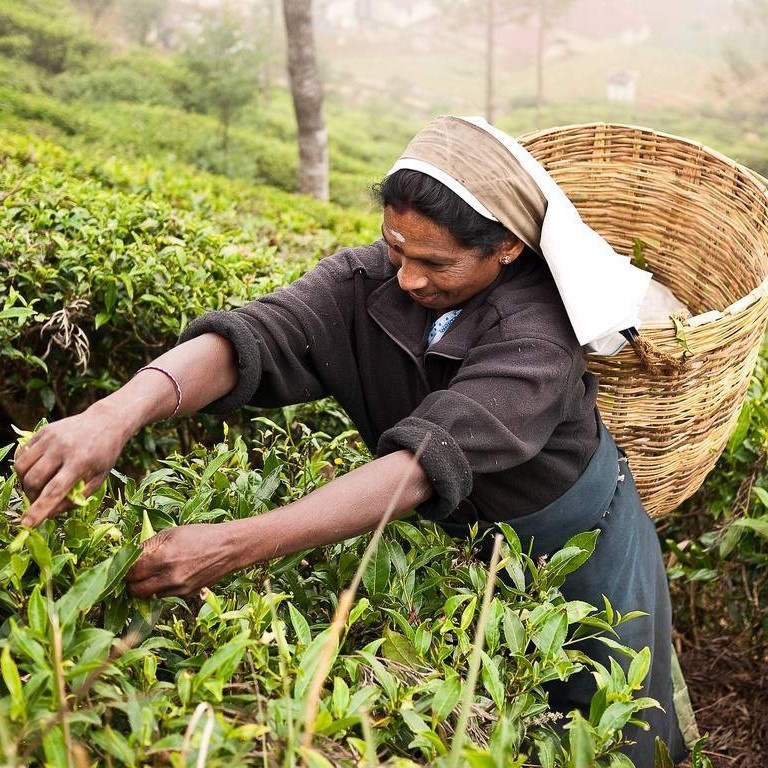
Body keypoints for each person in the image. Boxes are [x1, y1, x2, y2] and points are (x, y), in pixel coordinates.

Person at [14, 115, 686, 764]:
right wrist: (114, 414)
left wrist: (231, 545)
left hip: (572, 544)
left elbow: (426, 462)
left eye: (435, 262)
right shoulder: (372, 278)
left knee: (594, 726)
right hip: (454, 537)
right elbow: (257, 335)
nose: (407, 278)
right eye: (396, 247)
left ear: (506, 247)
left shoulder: (536, 335)